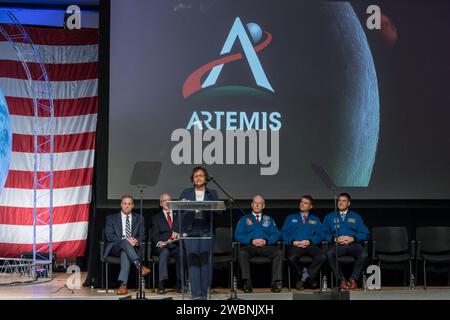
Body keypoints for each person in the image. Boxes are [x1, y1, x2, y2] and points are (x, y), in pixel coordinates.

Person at [179, 166, 219, 299]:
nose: (198, 178)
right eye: (195, 176)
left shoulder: (212, 193)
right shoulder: (186, 192)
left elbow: (219, 211)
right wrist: (183, 204)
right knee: (193, 261)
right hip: (191, 229)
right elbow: (179, 210)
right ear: (192, 179)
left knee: (205, 261)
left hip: (206, 228)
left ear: (206, 178)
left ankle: (205, 293)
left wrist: (209, 205)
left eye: (201, 175)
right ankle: (196, 295)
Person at [234, 195, 283, 293]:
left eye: (259, 204)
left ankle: (275, 284)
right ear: (252, 205)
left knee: (279, 252)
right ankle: (247, 283)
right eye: (255, 203)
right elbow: (238, 235)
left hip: (265, 247)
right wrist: (251, 240)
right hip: (250, 247)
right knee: (242, 253)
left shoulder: (268, 219)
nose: (257, 205)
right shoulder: (244, 219)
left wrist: (266, 240)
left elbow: (276, 234)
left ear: (263, 206)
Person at [103, 195, 150, 295]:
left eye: (129, 204)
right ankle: (139, 266)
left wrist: (136, 241)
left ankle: (123, 285)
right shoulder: (111, 218)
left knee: (125, 252)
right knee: (124, 242)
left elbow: (142, 236)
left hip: (132, 248)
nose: (127, 206)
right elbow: (110, 236)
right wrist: (126, 240)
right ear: (121, 205)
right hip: (115, 247)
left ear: (133, 206)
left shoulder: (139, 218)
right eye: (125, 203)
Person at [322, 192, 369, 290]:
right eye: (339, 200)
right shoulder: (329, 217)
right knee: (330, 254)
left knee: (364, 255)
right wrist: (334, 239)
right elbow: (323, 233)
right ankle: (341, 280)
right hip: (337, 246)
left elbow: (366, 233)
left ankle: (353, 279)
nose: (340, 203)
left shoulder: (356, 216)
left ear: (349, 203)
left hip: (353, 245)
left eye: (344, 201)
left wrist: (353, 238)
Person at [281, 195, 326, 290]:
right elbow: (283, 233)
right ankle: (308, 277)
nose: (302, 204)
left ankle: (306, 277)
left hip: (310, 245)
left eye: (305, 203)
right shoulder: (290, 217)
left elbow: (321, 234)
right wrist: (293, 242)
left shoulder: (315, 219)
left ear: (310, 206)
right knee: (292, 258)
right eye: (301, 202)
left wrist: (310, 241)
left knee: (322, 256)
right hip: (296, 246)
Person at [151, 193, 181, 294]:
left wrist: (179, 235)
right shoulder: (156, 217)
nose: (167, 202)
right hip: (163, 246)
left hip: (176, 244)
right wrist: (159, 242)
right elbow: (154, 235)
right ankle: (161, 284)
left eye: (169, 200)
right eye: (164, 200)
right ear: (160, 203)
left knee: (181, 252)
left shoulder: (179, 215)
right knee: (164, 253)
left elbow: (184, 231)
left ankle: (180, 283)